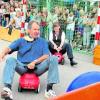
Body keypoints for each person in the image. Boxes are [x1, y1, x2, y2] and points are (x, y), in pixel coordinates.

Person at [0, 21, 59, 100]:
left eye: (38, 29)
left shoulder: (43, 41)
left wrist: (34, 62)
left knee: (54, 58)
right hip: (22, 67)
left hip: (37, 67)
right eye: (34, 29)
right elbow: (9, 48)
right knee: (10, 60)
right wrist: (2, 53)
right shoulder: (21, 40)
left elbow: (46, 55)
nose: (37, 31)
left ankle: (49, 89)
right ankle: (7, 89)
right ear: (28, 30)